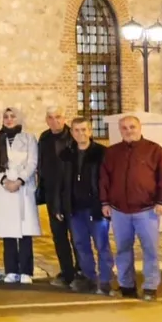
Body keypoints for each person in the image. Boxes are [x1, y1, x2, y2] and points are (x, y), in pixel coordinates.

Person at [100, 115, 162, 302]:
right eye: (124, 128)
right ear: (120, 130)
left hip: (147, 210)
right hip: (119, 211)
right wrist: (105, 202)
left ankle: (150, 286)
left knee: (150, 250)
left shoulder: (154, 151)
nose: (128, 131)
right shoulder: (112, 153)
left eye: (132, 127)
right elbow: (104, 179)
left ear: (139, 128)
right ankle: (126, 285)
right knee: (123, 249)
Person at [56, 117, 113, 294]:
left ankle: (105, 280)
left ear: (90, 131)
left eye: (84, 130)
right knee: (80, 245)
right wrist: (59, 206)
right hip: (74, 208)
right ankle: (89, 278)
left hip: (96, 207)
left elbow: (108, 180)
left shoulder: (102, 153)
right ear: (71, 133)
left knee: (101, 244)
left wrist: (106, 202)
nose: (80, 133)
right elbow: (60, 183)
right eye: (76, 130)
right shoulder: (66, 154)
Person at [0, 107, 40, 284]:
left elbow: (32, 162)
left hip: (23, 189)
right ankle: (11, 269)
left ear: (19, 118)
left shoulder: (28, 138)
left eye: (12, 116)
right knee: (8, 231)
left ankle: (26, 270)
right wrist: (3, 180)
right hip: (4, 189)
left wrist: (19, 180)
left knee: (25, 232)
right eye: (6, 117)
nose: (9, 119)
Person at [38, 106, 78, 287]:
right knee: (59, 237)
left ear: (64, 118)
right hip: (52, 194)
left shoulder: (74, 137)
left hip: (72, 195)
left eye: (58, 117)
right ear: (46, 120)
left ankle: (81, 271)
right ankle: (67, 273)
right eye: (51, 118)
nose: (54, 121)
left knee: (76, 236)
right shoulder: (44, 138)